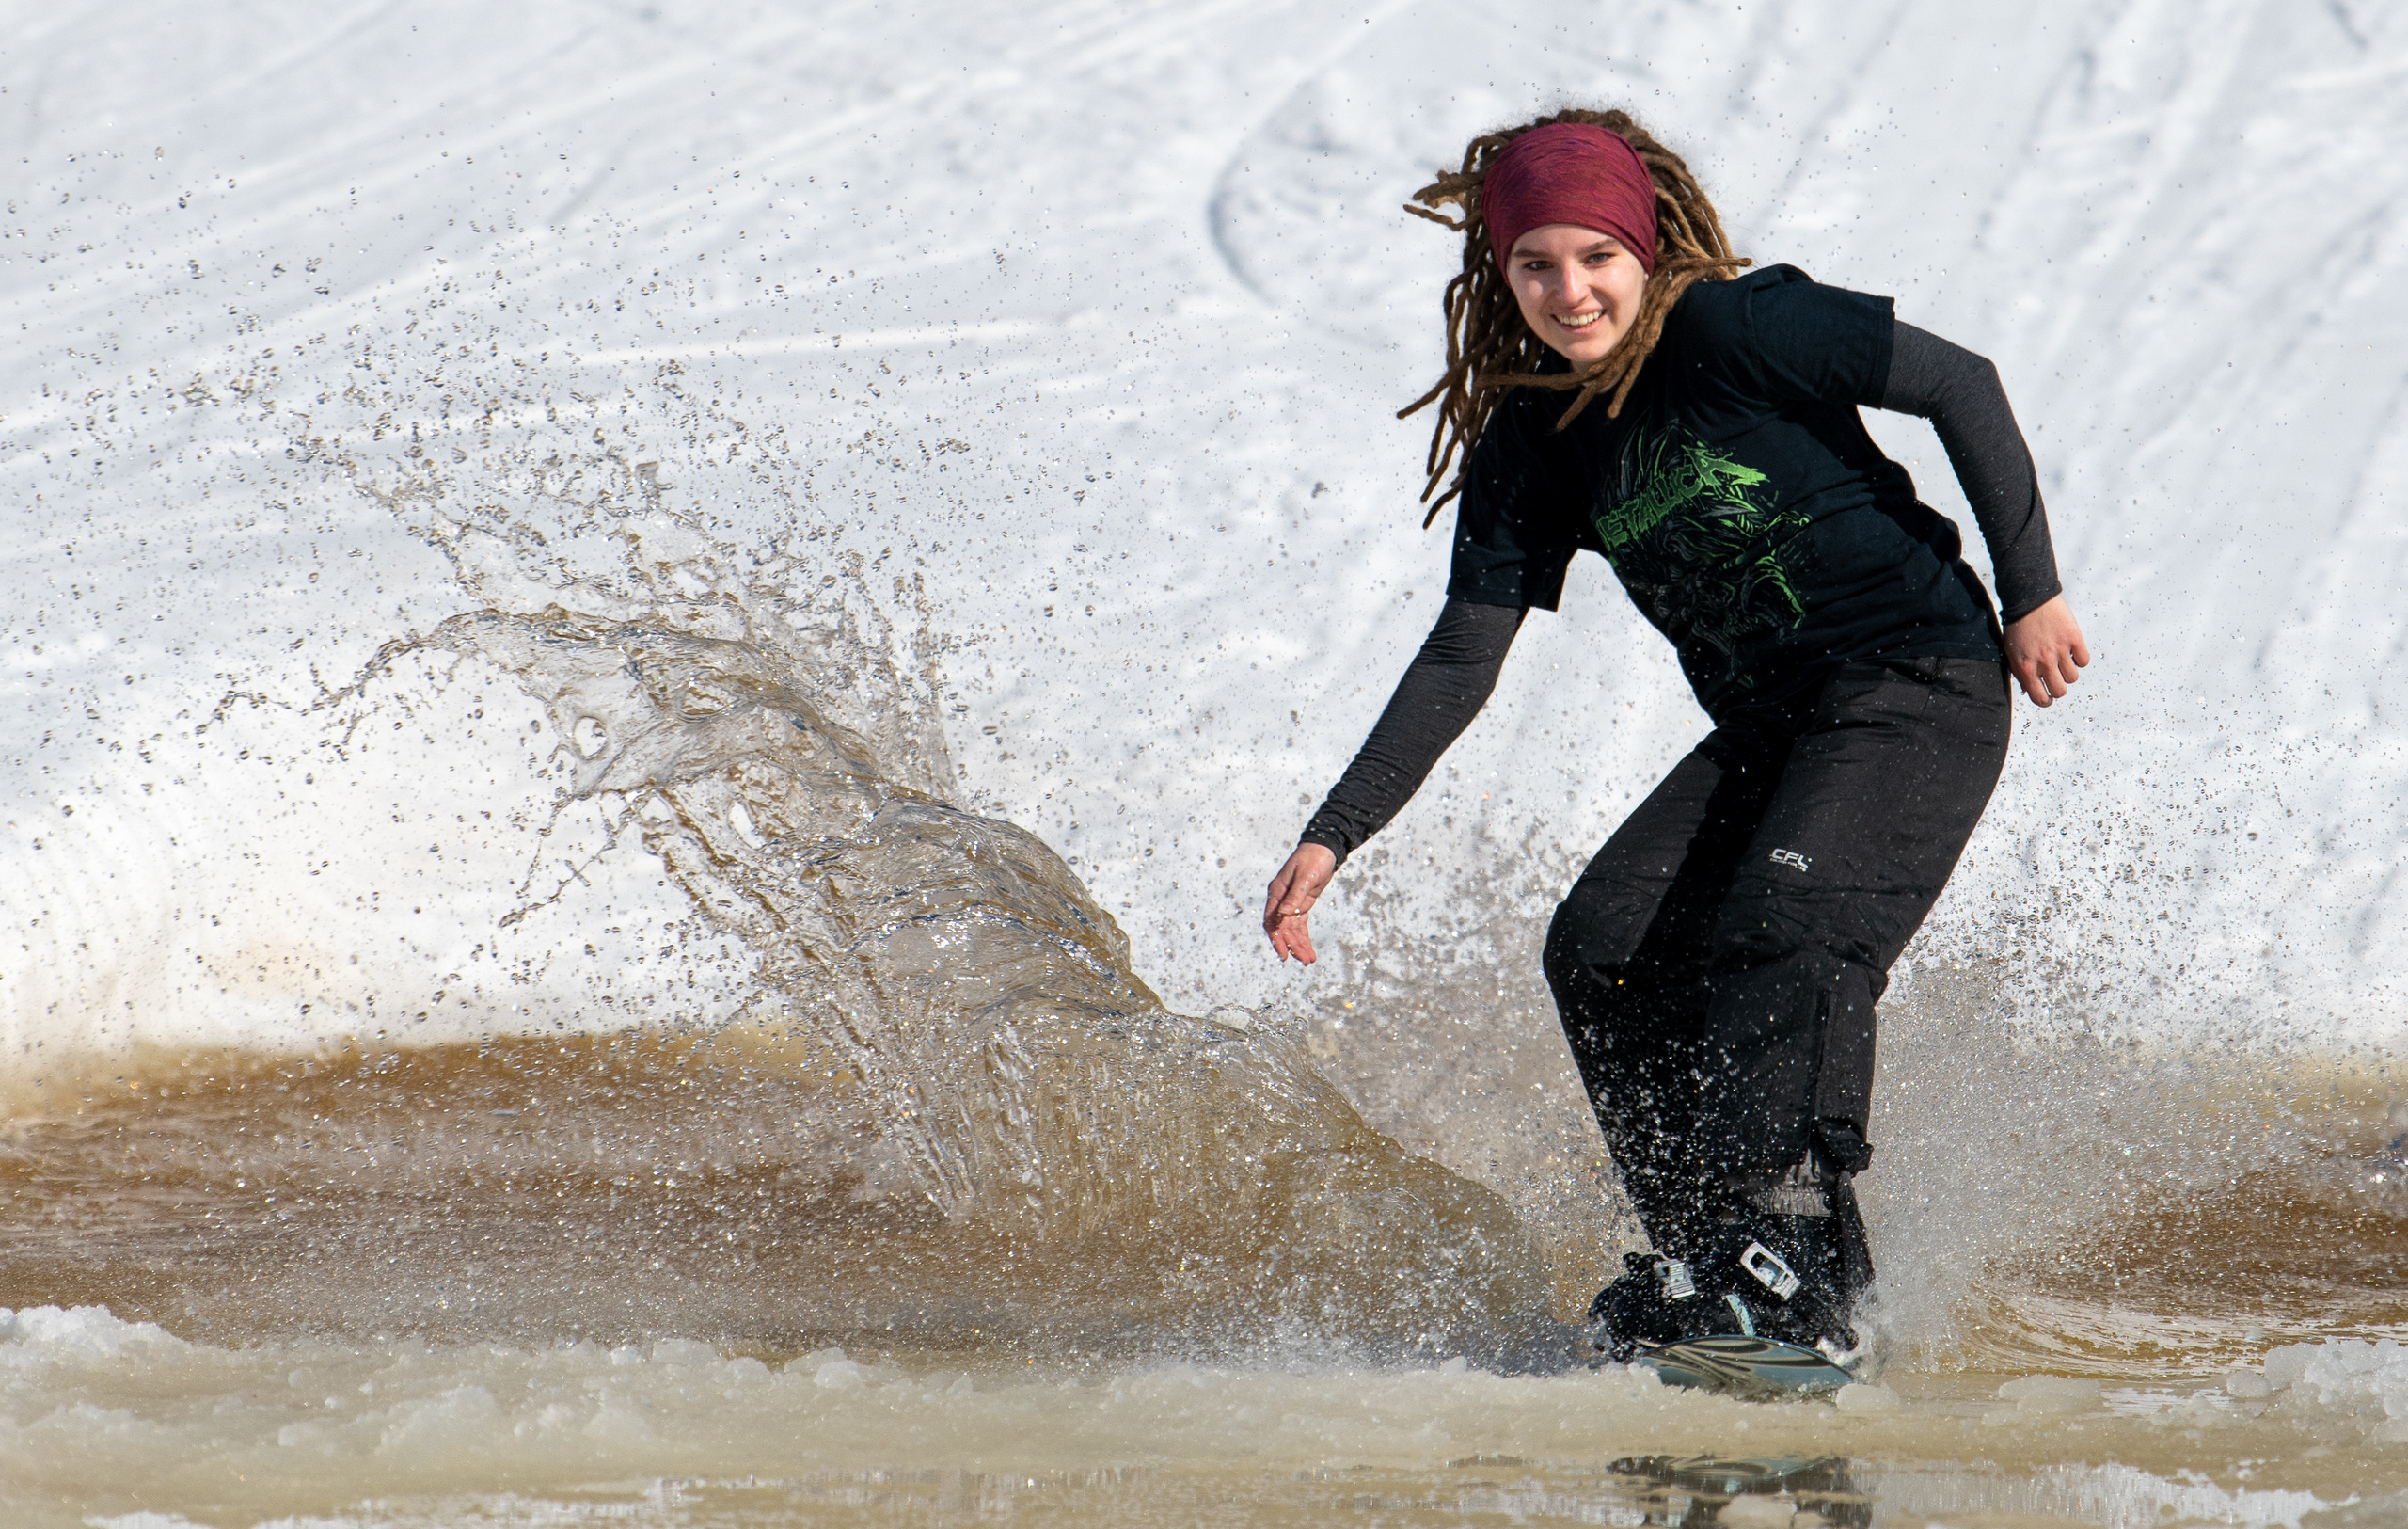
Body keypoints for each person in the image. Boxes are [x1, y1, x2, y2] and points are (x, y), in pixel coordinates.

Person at [1259, 109, 2088, 1369]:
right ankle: (1713, 1255)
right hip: (1778, 726)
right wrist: (1338, 830)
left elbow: (1956, 381)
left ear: (1644, 249)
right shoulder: (1535, 441)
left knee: (1786, 921)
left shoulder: (1737, 328)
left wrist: (2031, 590)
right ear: (1503, 274)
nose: (1569, 289)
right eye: (1537, 263)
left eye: (1595, 255)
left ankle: (1792, 1258)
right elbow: (1462, 653)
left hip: (1918, 680)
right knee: (1600, 948)